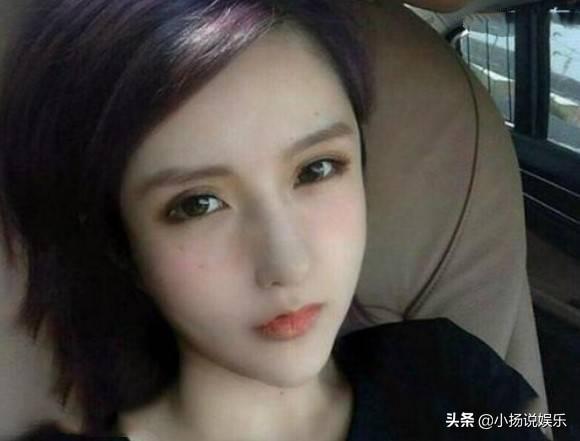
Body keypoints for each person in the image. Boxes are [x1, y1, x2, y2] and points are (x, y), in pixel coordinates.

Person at [0, 1, 547, 440]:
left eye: (316, 169)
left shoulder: (450, 377)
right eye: (198, 204)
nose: (288, 264)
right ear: (120, 240)